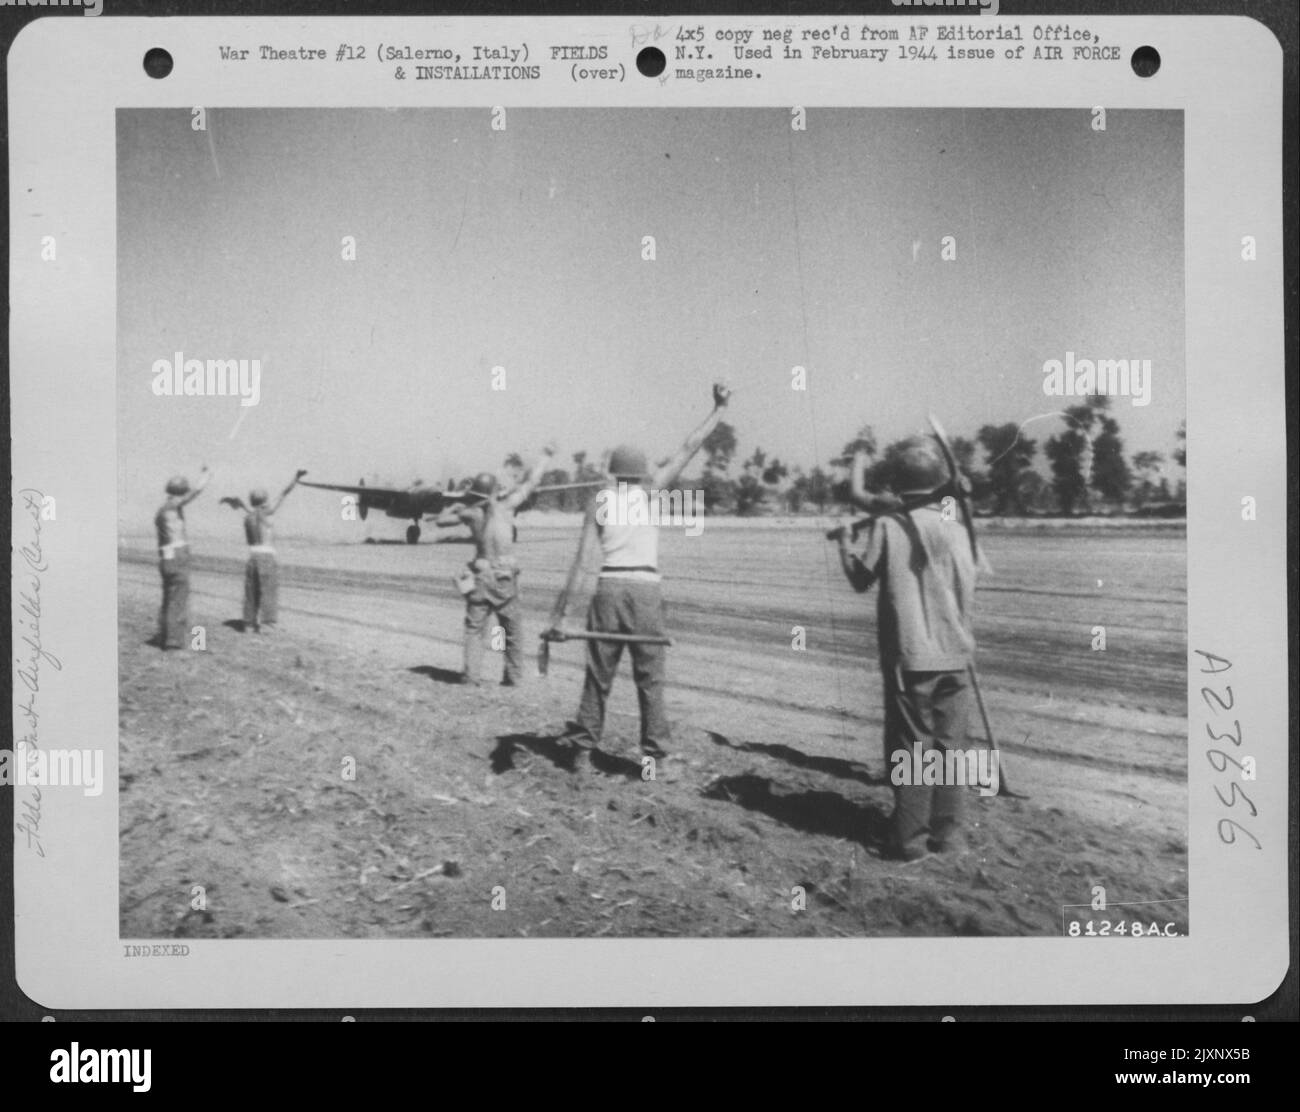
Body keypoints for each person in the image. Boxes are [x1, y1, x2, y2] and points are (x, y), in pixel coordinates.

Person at [560, 383, 730, 772]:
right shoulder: (653, 492)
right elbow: (690, 445)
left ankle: (582, 753)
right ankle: (653, 760)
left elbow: (583, 562)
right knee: (650, 680)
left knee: (598, 676)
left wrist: (565, 615)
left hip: (608, 588)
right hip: (645, 592)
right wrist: (718, 409)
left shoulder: (599, 501)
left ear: (614, 472)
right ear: (641, 472)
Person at [835, 437, 978, 861]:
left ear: (897, 484)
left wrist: (845, 546)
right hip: (957, 653)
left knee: (912, 748)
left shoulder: (889, 525)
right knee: (951, 746)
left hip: (912, 657)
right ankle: (950, 836)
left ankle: (909, 839)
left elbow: (862, 580)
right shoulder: (958, 525)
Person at [453, 444, 556, 686]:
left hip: (480, 576)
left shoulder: (472, 514)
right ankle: (513, 678)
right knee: (513, 632)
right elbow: (531, 483)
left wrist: (455, 508)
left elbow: (442, 521)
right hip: (504, 578)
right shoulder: (506, 507)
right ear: (495, 491)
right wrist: (545, 458)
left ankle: (470, 677)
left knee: (474, 629)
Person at [240, 470, 306, 633]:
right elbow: (284, 493)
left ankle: (248, 623)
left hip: (252, 556)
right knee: (268, 589)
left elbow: (249, 540)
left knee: (251, 591)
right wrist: (295, 479)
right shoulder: (268, 513)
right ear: (265, 501)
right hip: (266, 556)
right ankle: (267, 623)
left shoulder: (247, 518)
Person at [154, 467, 212, 650]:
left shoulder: (161, 511)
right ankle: (175, 642)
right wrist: (206, 476)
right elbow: (196, 492)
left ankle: (166, 636)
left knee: (168, 599)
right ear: (180, 493)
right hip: (178, 557)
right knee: (179, 599)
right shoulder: (174, 507)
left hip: (166, 559)